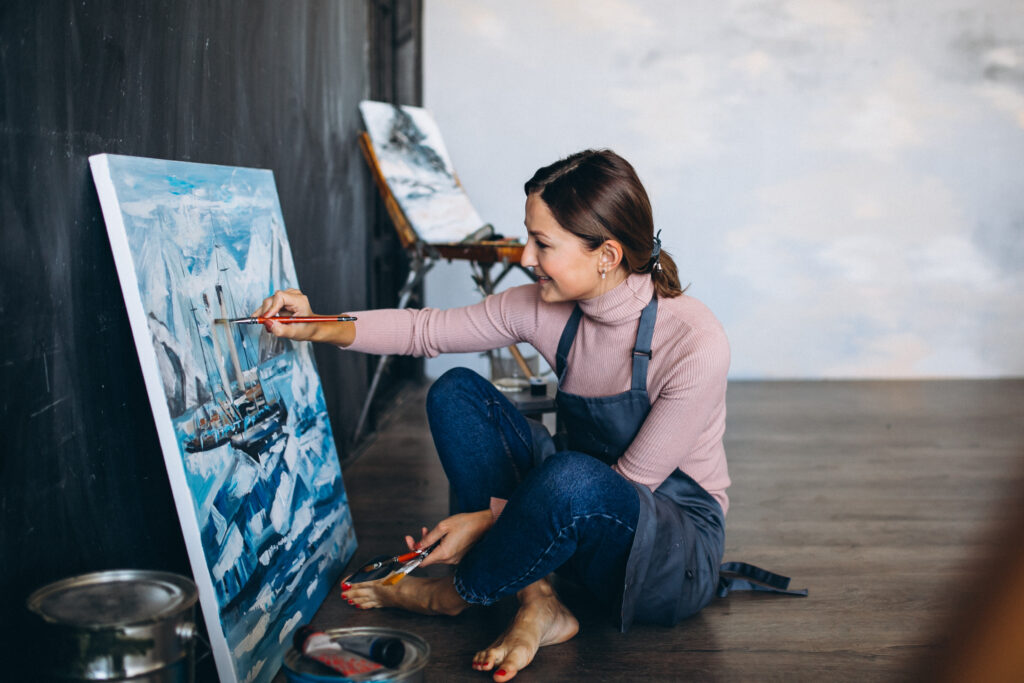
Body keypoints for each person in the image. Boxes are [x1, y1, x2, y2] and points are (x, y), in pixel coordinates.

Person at [257, 149, 734, 682]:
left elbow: (628, 483)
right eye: (528, 236)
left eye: (543, 243)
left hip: (664, 552)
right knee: (456, 392)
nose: (525, 255)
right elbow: (425, 331)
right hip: (566, 513)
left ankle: (458, 593)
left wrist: (485, 521)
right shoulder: (545, 306)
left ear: (606, 253)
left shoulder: (695, 341)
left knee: (572, 476)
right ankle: (540, 600)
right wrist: (313, 325)